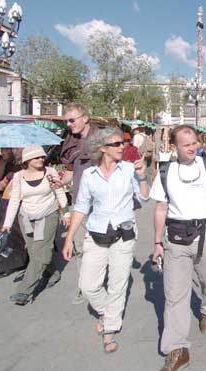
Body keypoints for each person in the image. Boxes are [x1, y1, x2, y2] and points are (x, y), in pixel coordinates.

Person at [62, 127, 149, 353]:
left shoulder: (129, 169)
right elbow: (80, 207)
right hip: (96, 234)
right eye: (116, 144)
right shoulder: (90, 176)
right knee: (88, 285)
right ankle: (107, 311)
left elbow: (145, 197)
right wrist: (69, 238)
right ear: (102, 149)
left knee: (117, 285)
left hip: (124, 235)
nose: (122, 147)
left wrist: (143, 176)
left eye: (123, 143)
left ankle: (110, 328)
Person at [150, 125, 206, 371]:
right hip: (175, 240)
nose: (193, 147)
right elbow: (161, 208)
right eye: (186, 144)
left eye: (194, 142)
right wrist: (157, 242)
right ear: (174, 147)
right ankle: (177, 348)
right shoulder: (166, 171)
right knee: (175, 296)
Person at [2, 146, 70, 305]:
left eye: (42, 157)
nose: (41, 159)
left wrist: (66, 213)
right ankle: (52, 273)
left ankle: (23, 290)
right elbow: (14, 200)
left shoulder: (50, 172)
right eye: (36, 157)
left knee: (43, 252)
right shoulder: (19, 177)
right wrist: (7, 224)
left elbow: (59, 192)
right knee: (35, 252)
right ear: (27, 160)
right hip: (26, 216)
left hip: (48, 214)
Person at [56, 102, 95, 304]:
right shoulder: (70, 142)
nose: (69, 124)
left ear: (85, 118)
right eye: (67, 121)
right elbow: (71, 172)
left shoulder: (101, 140)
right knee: (79, 246)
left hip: (100, 203)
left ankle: (98, 284)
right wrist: (59, 181)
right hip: (79, 201)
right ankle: (83, 286)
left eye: (72, 120)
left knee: (100, 246)